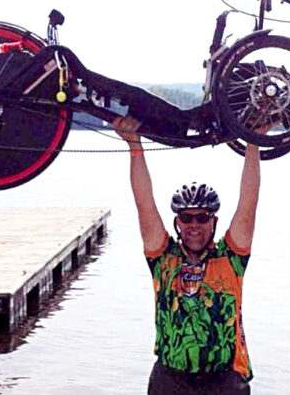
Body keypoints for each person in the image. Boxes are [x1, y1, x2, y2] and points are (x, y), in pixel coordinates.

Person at [113, 115, 271, 394]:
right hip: (169, 380)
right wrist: (135, 147)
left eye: (201, 218)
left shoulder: (230, 259)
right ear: (178, 222)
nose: (194, 226)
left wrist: (253, 144)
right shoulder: (164, 258)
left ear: (213, 221)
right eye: (187, 218)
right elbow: (145, 204)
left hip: (223, 380)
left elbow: (248, 204)